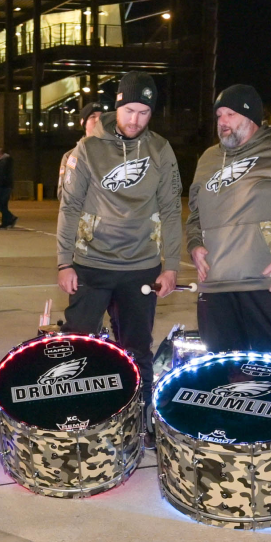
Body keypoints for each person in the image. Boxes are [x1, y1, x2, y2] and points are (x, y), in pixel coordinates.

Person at [58, 71, 181, 411]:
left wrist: (171, 265)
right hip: (91, 265)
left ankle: (140, 416)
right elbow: (69, 207)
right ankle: (79, 411)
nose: (135, 120)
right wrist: (64, 262)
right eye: (130, 111)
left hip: (140, 267)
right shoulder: (88, 148)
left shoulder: (160, 149)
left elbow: (171, 209)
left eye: (144, 112)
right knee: (79, 342)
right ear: (118, 106)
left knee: (137, 348)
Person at [187, 84, 271, 359]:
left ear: (252, 118)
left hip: (266, 282)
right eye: (219, 115)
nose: (222, 122)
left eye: (231, 114)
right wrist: (194, 244)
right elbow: (195, 214)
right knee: (221, 371)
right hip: (216, 283)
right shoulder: (208, 158)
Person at [59, 102, 106, 201]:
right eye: (92, 117)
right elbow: (62, 194)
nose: (98, 119)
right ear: (82, 122)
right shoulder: (70, 156)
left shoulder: (116, 151)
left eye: (101, 116)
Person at [0, 146, 16, 228]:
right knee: (3, 204)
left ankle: (11, 217)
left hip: (3, 186)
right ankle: (5, 222)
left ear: (1, 154)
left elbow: (0, 175)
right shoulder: (7, 161)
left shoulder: (4, 162)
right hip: (7, 185)